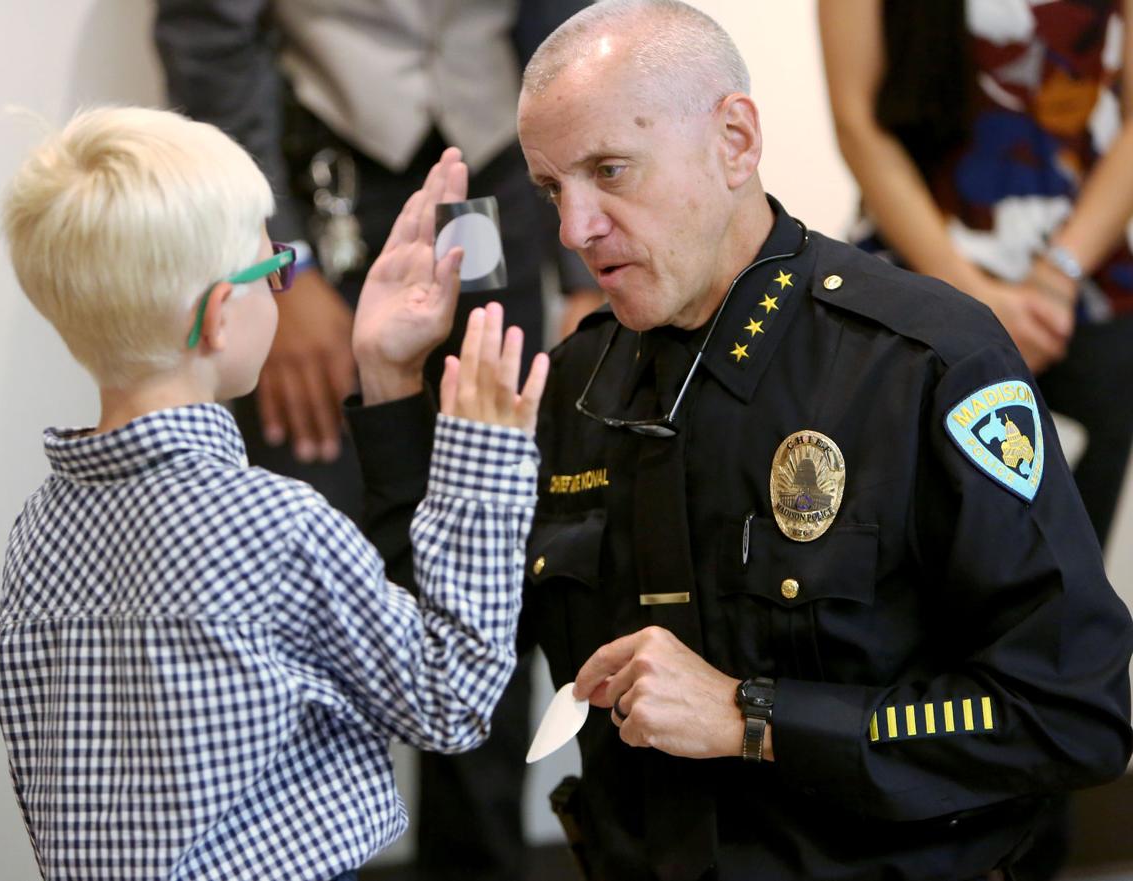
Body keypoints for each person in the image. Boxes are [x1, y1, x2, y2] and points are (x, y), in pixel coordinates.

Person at [344, 2, 1133, 879]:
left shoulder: (922, 363)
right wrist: (388, 386)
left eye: (610, 170)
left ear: (734, 139)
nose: (574, 229)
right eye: (551, 190)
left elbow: (1069, 713)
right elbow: (446, 681)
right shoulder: (570, 387)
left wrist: (750, 714)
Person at [0, 106, 548, 881]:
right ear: (220, 316)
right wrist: (481, 461)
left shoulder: (36, 533)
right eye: (270, 267)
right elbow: (450, 699)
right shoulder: (274, 524)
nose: (279, 284)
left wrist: (385, 383)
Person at [153, 6, 600, 875]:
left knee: (491, 544)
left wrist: (581, 265)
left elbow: (564, 18)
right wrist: (280, 269)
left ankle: (478, 861)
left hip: (498, 177)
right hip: (323, 190)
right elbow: (209, 38)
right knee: (305, 569)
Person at [819, 0, 1133, 549]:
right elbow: (856, 118)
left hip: (1080, 305)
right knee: (902, 572)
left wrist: (1057, 275)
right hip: (911, 301)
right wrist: (969, 296)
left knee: (1069, 588)